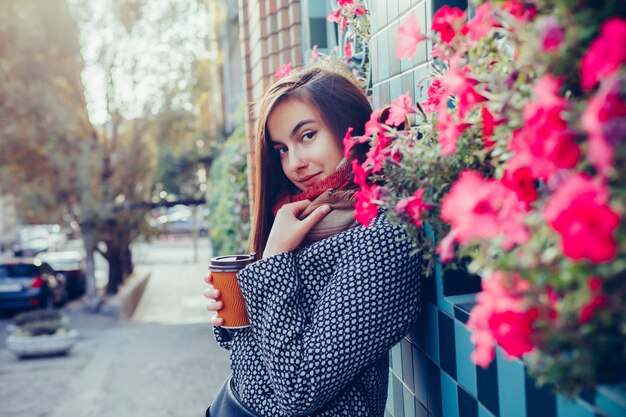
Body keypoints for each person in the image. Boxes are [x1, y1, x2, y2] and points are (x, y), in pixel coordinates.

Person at [204, 65, 421, 417]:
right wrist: (231, 314)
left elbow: (299, 387)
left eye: (306, 136)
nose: (295, 163)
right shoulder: (294, 214)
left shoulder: (381, 238)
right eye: (282, 150)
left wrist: (273, 262)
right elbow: (269, 352)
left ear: (348, 127)